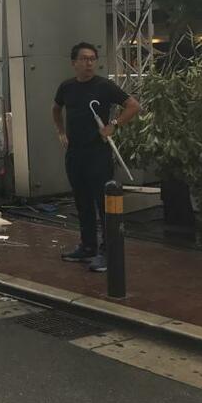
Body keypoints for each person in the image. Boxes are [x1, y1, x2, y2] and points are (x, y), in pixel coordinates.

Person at [52, 42, 140, 272]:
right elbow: (55, 108)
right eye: (84, 59)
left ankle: (107, 252)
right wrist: (61, 132)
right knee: (82, 203)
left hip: (97, 154)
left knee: (104, 205)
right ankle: (88, 246)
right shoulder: (67, 87)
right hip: (75, 155)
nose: (89, 63)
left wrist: (114, 124)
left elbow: (133, 106)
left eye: (92, 58)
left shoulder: (104, 86)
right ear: (74, 63)